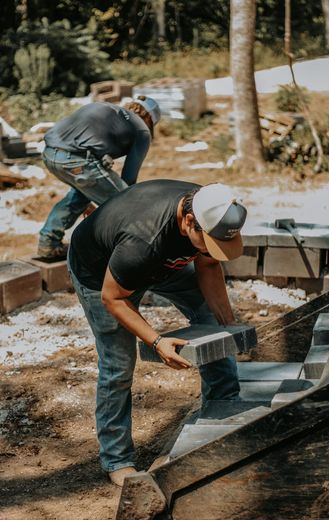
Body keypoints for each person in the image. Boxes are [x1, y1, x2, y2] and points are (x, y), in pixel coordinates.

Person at [67, 179, 247, 486]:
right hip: (102, 277)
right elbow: (114, 298)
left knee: (213, 324)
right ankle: (117, 459)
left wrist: (228, 324)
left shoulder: (208, 207)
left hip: (160, 264)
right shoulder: (143, 239)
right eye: (209, 242)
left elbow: (208, 267)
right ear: (189, 222)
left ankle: (223, 406)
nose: (212, 250)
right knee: (118, 365)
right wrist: (157, 340)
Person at [37, 96, 161, 259]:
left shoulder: (107, 108)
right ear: (149, 120)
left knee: (79, 197)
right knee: (128, 205)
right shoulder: (142, 131)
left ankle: (48, 243)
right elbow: (129, 181)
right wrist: (114, 200)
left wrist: (95, 194)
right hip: (76, 160)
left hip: (49, 153)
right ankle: (130, 253)